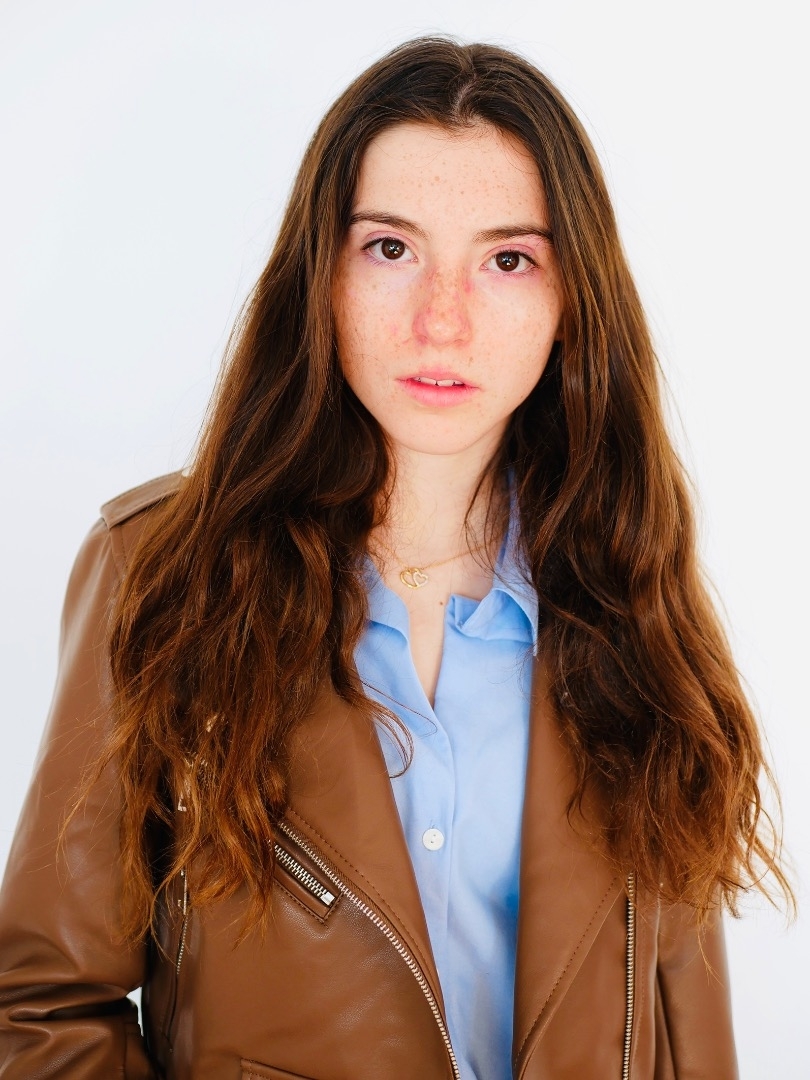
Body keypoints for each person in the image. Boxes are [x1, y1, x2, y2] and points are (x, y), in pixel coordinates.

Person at [0, 37, 790, 1080]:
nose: (441, 320)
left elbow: (687, 1035)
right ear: (320, 276)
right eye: (390, 248)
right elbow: (43, 1008)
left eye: (508, 260)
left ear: (570, 304)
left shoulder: (632, 585)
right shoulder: (164, 572)